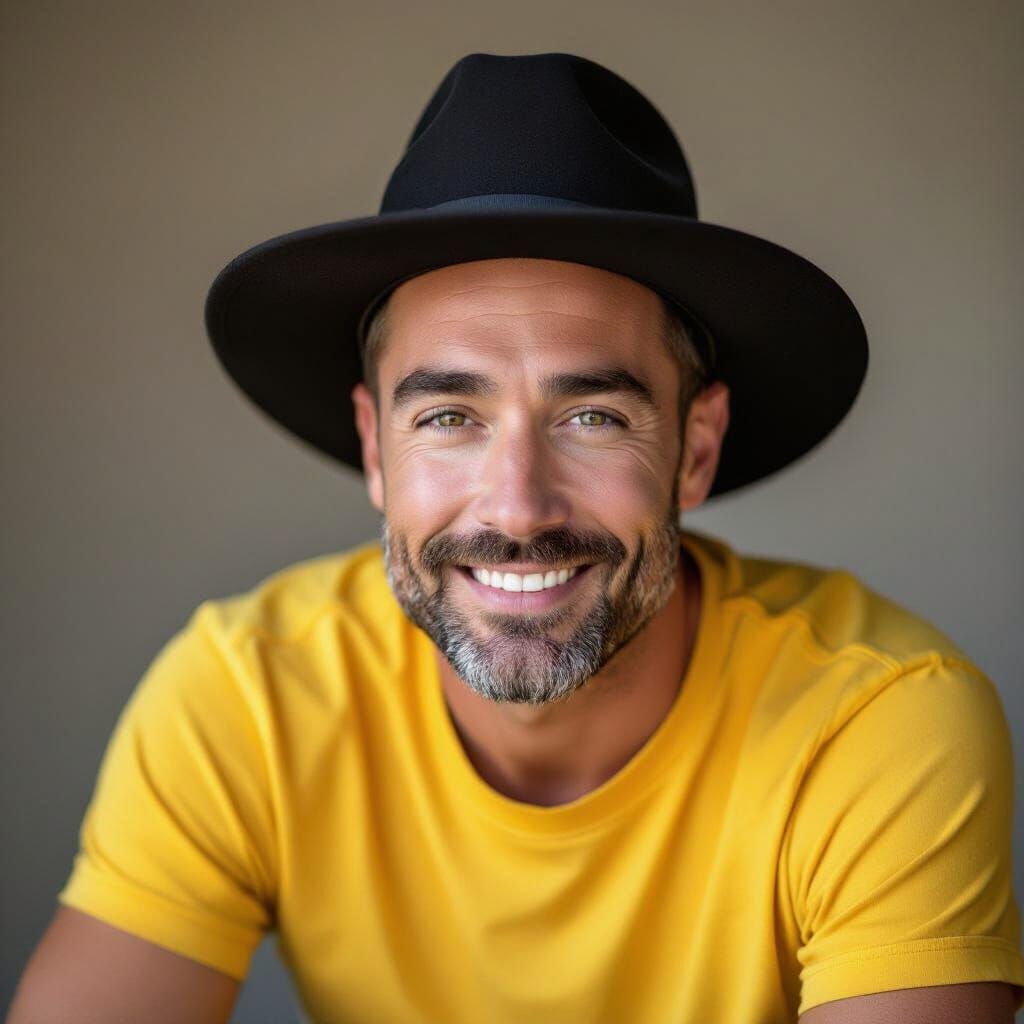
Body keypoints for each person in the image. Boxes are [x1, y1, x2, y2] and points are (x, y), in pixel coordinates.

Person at [9, 52, 1023, 1024]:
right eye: (448, 416)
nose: (518, 507)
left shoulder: (872, 723)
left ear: (695, 448)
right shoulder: (249, 698)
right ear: (374, 446)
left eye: (592, 416)